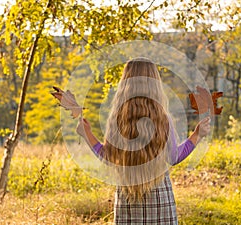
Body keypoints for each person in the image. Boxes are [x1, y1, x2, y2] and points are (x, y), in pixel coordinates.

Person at [76, 57, 211, 224]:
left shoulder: (117, 120)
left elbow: (109, 157)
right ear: (154, 83)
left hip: (128, 199)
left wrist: (87, 134)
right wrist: (196, 135)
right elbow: (173, 157)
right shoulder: (162, 119)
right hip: (160, 199)